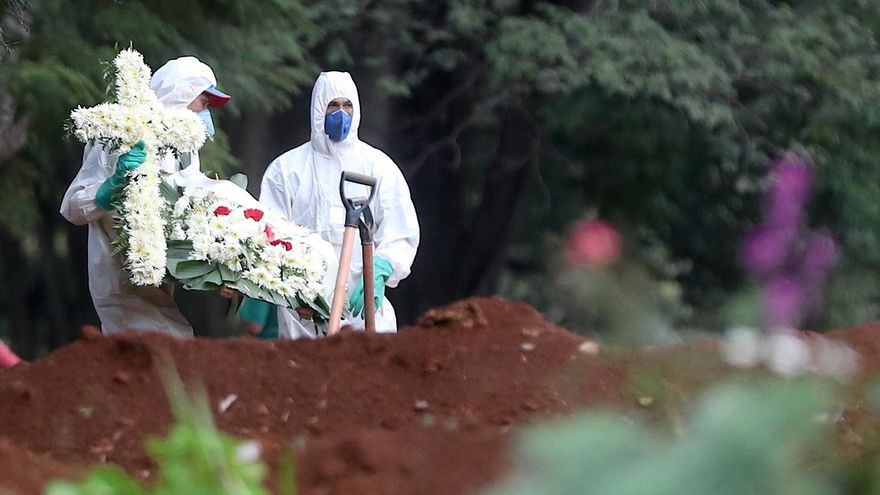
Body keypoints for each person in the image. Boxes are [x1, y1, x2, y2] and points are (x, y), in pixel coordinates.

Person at [60, 56, 231, 337]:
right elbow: (72, 208)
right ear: (182, 94)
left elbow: (185, 197)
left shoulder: (181, 146)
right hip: (119, 273)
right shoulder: (120, 135)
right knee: (161, 349)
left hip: (159, 274)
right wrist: (108, 191)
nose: (205, 112)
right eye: (203, 102)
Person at [260, 71, 420, 339]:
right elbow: (268, 232)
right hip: (302, 309)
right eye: (333, 105)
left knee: (367, 373)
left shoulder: (377, 166)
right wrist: (294, 285)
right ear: (318, 109)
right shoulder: (287, 169)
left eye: (347, 105)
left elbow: (400, 231)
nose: (341, 113)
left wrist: (380, 270)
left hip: (363, 302)